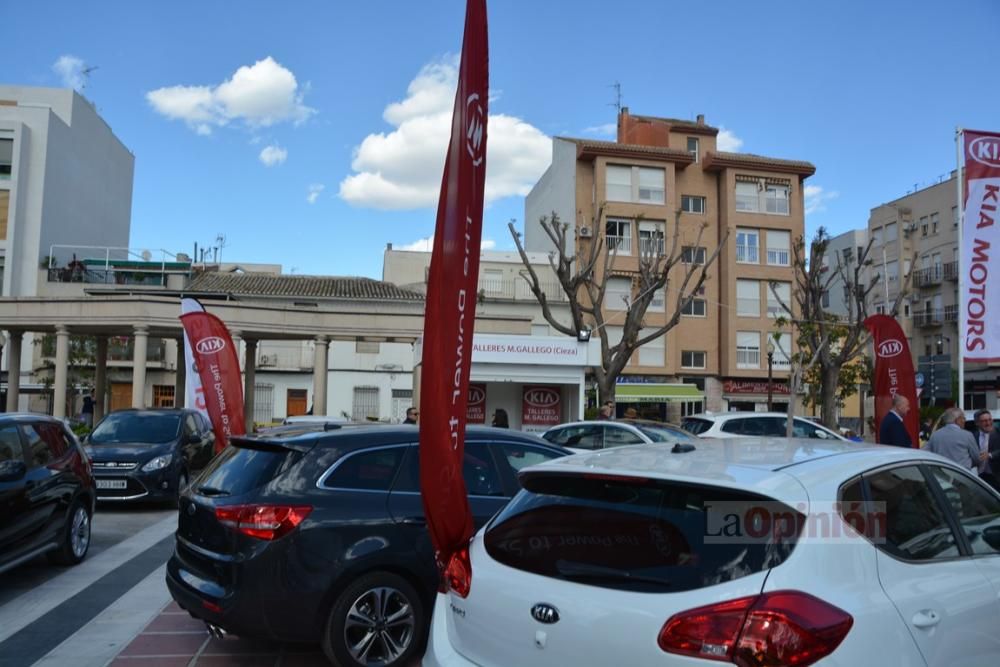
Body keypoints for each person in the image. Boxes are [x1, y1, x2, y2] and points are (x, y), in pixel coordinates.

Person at [973, 409, 1000, 490]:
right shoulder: (972, 436)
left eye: (990, 420)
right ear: (977, 423)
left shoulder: (998, 433)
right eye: (984, 421)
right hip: (977, 477)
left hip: (996, 476)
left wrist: (990, 455)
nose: (988, 423)